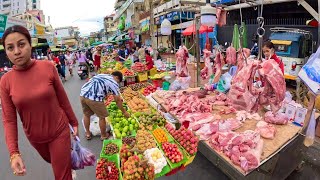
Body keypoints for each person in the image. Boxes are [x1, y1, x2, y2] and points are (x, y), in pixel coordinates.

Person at [0, 25, 78, 180]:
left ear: (30, 44)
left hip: (59, 131)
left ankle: (65, 166)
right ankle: (65, 163)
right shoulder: (5, 82)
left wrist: (73, 122)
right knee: (54, 161)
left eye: (21, 44)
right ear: (6, 51)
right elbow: (9, 120)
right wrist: (14, 153)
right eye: (10, 47)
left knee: (62, 175)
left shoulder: (47, 67)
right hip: (35, 139)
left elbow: (62, 98)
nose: (16, 51)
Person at [80, 71, 130, 140]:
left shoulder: (102, 75)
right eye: (118, 81)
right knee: (102, 117)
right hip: (94, 98)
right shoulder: (113, 82)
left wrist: (105, 95)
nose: (117, 83)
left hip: (83, 94)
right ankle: (103, 135)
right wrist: (124, 112)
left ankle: (88, 133)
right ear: (117, 77)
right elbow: (117, 100)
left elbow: (99, 84)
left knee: (86, 115)